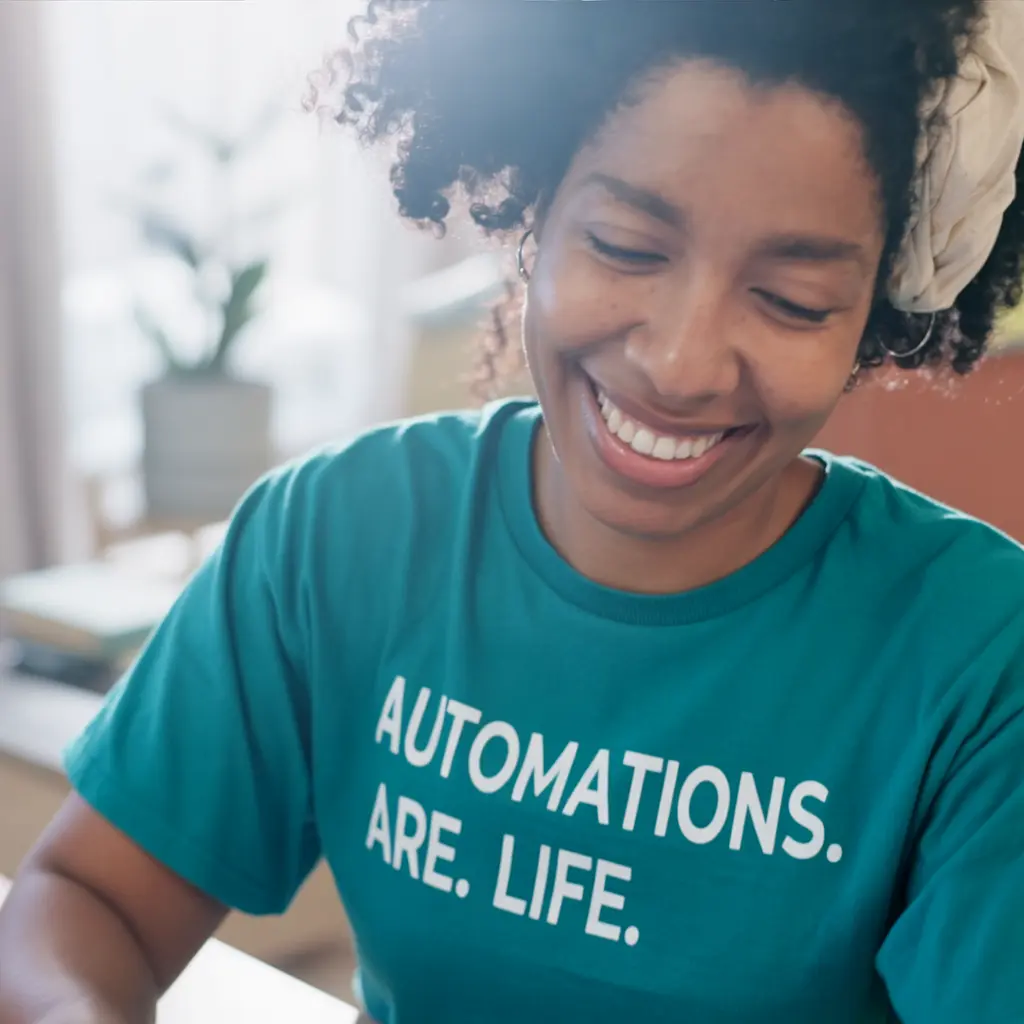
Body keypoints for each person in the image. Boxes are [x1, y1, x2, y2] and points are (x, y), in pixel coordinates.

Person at [3, 1, 1024, 1021]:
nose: (679, 363)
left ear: (877, 314)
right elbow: (88, 897)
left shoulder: (978, 655)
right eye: (625, 245)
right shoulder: (339, 535)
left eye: (794, 300)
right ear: (533, 206)